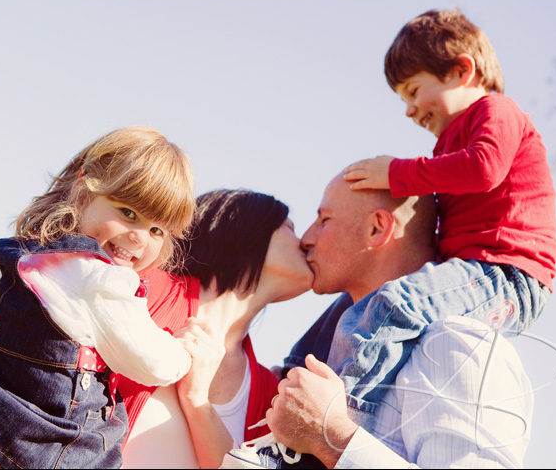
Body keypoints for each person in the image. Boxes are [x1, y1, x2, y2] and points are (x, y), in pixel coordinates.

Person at [0, 188, 314, 468]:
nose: (307, 240)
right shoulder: (138, 287)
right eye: (290, 227)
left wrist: (197, 400)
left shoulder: (269, 389)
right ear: (243, 229)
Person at [311, 7, 556, 431]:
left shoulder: (495, 110)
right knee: (346, 312)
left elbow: (484, 168)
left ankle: (332, 427)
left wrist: (397, 172)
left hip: (507, 275)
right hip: (471, 270)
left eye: (414, 89)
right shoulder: (449, 147)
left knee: (392, 305)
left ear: (463, 70)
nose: (408, 109)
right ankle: (284, 395)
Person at [223, 171, 535, 468]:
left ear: (377, 228)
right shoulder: (334, 347)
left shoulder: (456, 345)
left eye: (324, 219)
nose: (306, 238)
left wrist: (333, 437)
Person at [0, 126, 196, 469]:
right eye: (128, 213)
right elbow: (148, 360)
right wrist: (183, 355)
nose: (138, 238)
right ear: (82, 192)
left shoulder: (29, 250)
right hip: (45, 448)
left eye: (156, 230)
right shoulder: (102, 279)